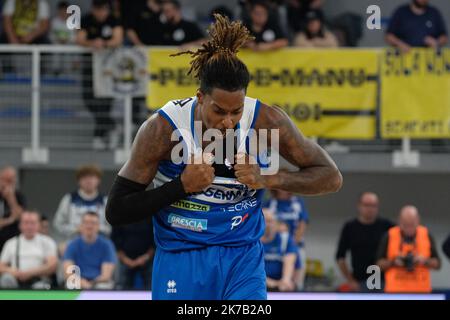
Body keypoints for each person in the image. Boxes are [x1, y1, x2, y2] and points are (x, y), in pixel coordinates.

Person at [105, 14, 342, 300]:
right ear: (200, 97)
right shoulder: (162, 129)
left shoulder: (268, 121)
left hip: (242, 257)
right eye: (219, 111)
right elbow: (117, 211)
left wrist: (268, 178)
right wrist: (180, 186)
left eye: (236, 111)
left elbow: (331, 178)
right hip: (182, 254)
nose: (228, 121)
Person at [76, 0, 124, 150]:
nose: (101, 13)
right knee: (88, 98)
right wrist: (92, 43)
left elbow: (117, 39)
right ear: (93, 9)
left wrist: (103, 44)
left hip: (108, 69)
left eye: (103, 9)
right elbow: (80, 39)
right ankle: (113, 126)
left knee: (105, 102)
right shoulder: (86, 19)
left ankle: (98, 136)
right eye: (98, 9)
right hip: (90, 66)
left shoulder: (114, 20)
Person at [335, 192, 394, 292]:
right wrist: (350, 280)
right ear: (359, 206)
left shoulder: (388, 226)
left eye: (374, 205)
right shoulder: (350, 227)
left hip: (385, 282)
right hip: (359, 281)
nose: (370, 209)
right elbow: (340, 256)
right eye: (366, 205)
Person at [376, 205, 440, 293]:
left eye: (412, 224)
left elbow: (437, 264)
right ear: (399, 221)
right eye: (405, 224)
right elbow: (378, 264)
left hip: (421, 292)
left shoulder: (426, 235)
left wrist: (424, 261)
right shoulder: (389, 235)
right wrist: (393, 262)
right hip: (395, 292)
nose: (409, 228)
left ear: (418, 220)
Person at [53, 165, 110, 249]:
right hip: (73, 242)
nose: (88, 181)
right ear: (78, 181)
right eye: (84, 177)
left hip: (99, 244)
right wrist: (76, 229)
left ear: (98, 180)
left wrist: (96, 228)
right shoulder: (69, 199)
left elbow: (111, 227)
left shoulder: (105, 200)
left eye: (92, 177)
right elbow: (58, 224)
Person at [0, 211, 57, 289]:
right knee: (6, 279)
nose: (29, 226)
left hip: (38, 281)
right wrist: (12, 271)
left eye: (33, 223)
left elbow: (52, 266)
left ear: (39, 225)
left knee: (40, 286)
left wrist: (30, 273)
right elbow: (1, 266)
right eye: (26, 223)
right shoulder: (11, 243)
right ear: (20, 225)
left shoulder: (47, 242)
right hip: (16, 281)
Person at [63, 212, 117, 290]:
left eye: (93, 223)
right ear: (81, 226)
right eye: (86, 223)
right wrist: (81, 282)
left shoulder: (107, 245)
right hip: (78, 281)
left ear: (98, 226)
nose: (89, 226)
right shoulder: (72, 245)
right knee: (71, 285)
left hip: (99, 282)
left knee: (103, 287)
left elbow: (106, 275)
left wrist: (91, 283)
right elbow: (68, 272)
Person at [111, 219, 155, 290]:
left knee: (152, 287)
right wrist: (125, 259)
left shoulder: (149, 215)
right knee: (121, 289)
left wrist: (146, 257)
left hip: (147, 259)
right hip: (125, 259)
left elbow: (155, 241)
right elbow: (114, 239)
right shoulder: (120, 214)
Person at [261, 208, 297, 292]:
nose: (268, 225)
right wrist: (273, 283)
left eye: (271, 221)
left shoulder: (285, 239)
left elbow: (289, 261)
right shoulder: (251, 241)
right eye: (265, 221)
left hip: (280, 286)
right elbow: (252, 271)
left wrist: (285, 280)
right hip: (258, 284)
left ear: (277, 223)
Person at [0, 166, 26, 252]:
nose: (7, 184)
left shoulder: (18, 196)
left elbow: (20, 216)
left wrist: (11, 198)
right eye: (6, 180)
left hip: (12, 238)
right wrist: (10, 220)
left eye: (11, 181)